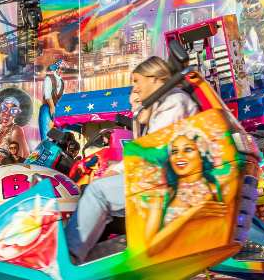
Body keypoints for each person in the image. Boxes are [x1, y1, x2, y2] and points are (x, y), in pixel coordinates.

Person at [65, 56, 199, 264]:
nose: (135, 88)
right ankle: (88, 262)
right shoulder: (164, 104)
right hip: (164, 179)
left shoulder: (174, 101)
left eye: (137, 81)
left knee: (97, 192)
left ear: (154, 78)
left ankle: (70, 256)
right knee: (102, 199)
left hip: (169, 182)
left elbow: (152, 149)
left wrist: (118, 171)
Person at [140, 132, 227, 256]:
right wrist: (190, 214)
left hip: (206, 267)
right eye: (174, 152)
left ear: (202, 155)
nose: (179, 156)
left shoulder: (216, 191)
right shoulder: (163, 195)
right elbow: (150, 249)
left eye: (188, 149)